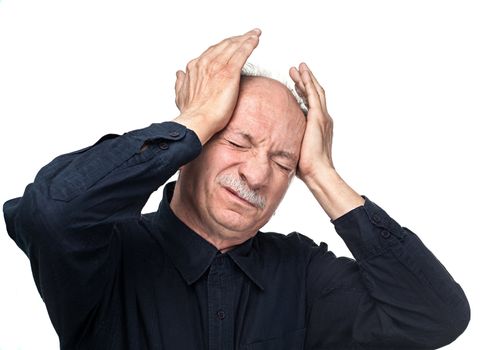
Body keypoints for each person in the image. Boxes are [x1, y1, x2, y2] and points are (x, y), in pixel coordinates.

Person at [3, 28, 470, 349]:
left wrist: (323, 174)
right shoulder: (109, 253)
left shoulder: (302, 272)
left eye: (284, 161)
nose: (257, 174)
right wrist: (194, 120)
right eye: (237, 142)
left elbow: (436, 316)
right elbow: (51, 214)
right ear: (195, 148)